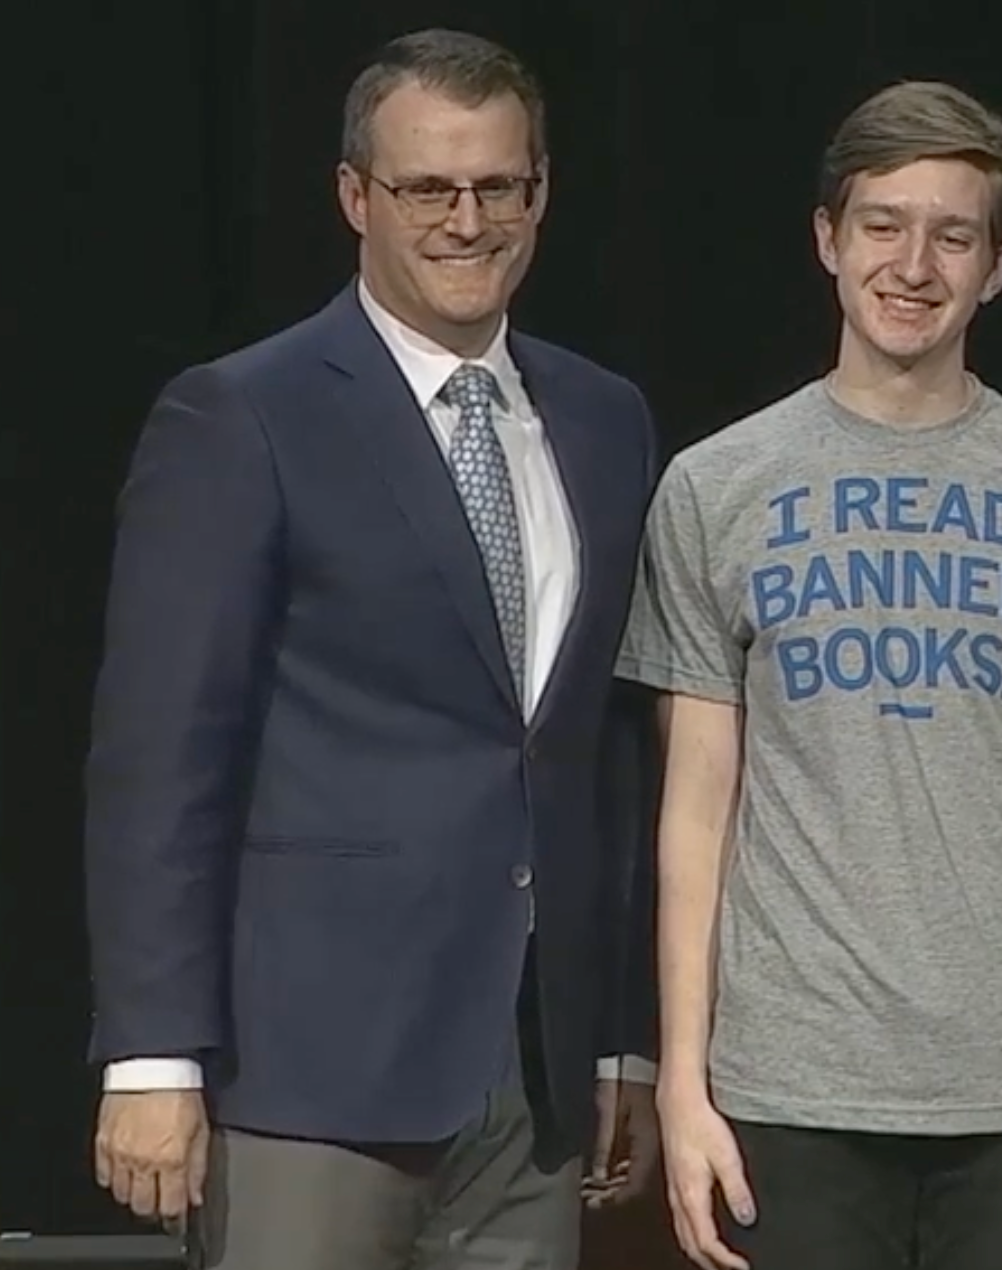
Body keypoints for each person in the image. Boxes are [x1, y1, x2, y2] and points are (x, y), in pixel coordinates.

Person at [84, 28, 661, 1270]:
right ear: (356, 197)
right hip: (308, 1070)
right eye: (426, 189)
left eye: (497, 185)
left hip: (533, 1078)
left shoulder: (606, 421)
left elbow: (606, 751)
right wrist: (151, 1050)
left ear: (540, 192)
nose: (467, 220)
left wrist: (618, 1034)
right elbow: (162, 758)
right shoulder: (244, 415)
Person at [614, 81, 1002, 1270]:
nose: (912, 263)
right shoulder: (716, 489)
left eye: (951, 233)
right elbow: (693, 818)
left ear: (998, 266)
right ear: (827, 240)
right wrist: (682, 1083)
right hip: (793, 1087)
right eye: (881, 224)